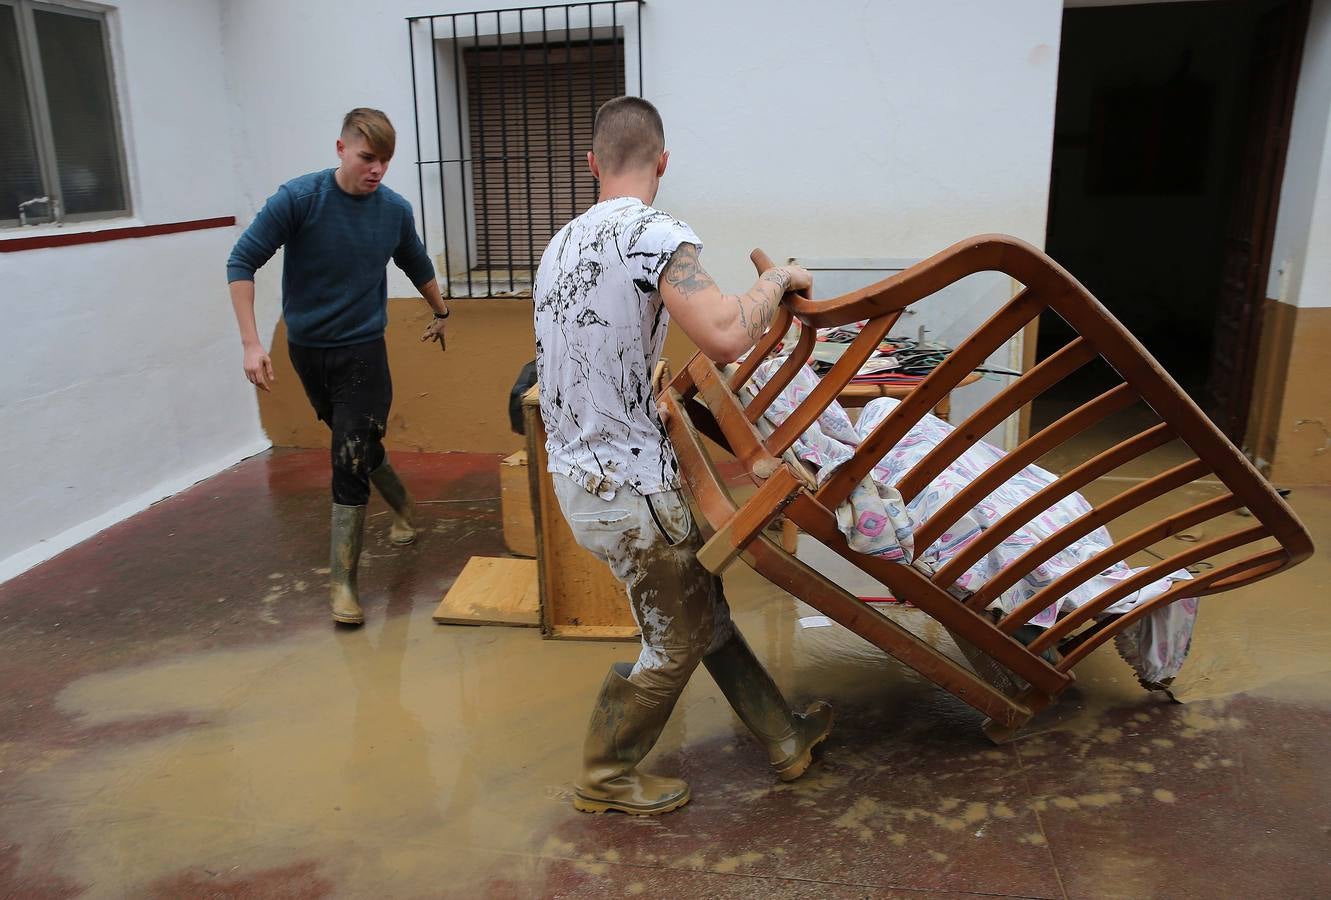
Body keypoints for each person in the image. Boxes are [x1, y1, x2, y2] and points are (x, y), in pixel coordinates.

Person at [533, 96, 833, 816]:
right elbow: (727, 334)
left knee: (701, 611)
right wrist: (781, 280)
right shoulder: (653, 233)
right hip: (631, 488)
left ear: (591, 164)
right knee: (674, 638)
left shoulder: (560, 245)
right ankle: (605, 775)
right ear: (662, 162)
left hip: (580, 477)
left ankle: (783, 736)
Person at [226, 108, 451, 626]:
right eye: (368, 157)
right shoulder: (298, 200)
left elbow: (414, 261)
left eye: (385, 161)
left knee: (347, 454)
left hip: (363, 351)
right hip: (307, 350)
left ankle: (343, 586)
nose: (376, 169)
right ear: (341, 149)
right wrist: (250, 343)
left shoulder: (393, 210)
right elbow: (242, 262)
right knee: (358, 445)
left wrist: (442, 311)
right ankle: (405, 507)